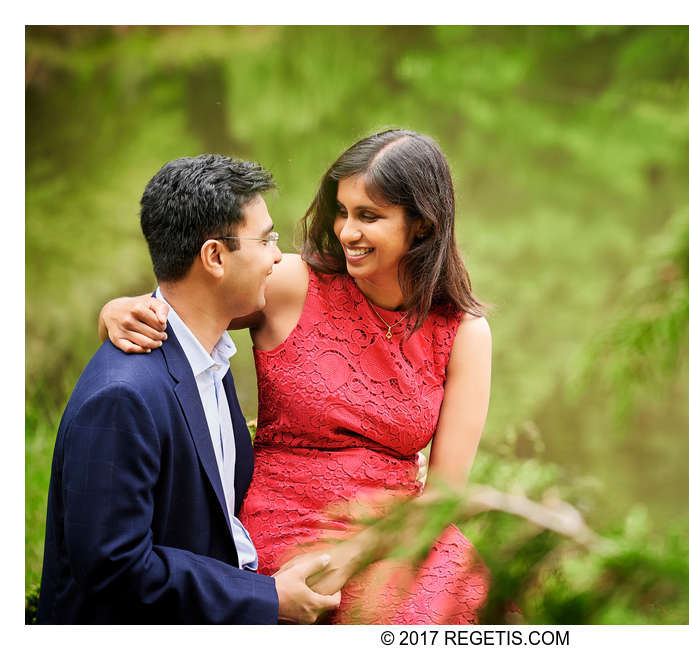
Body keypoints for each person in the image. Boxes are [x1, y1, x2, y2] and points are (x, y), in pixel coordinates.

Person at [99, 130, 493, 624]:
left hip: (401, 530)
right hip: (286, 517)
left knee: (456, 616)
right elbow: (187, 302)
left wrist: (354, 557)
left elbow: (441, 496)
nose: (347, 231)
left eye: (369, 216)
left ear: (421, 225)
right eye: (343, 211)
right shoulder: (291, 282)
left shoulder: (463, 332)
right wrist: (118, 310)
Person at [38, 154, 341, 624]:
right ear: (214, 257)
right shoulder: (123, 397)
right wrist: (266, 599)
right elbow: (115, 568)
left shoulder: (206, 354)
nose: (278, 256)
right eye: (266, 239)